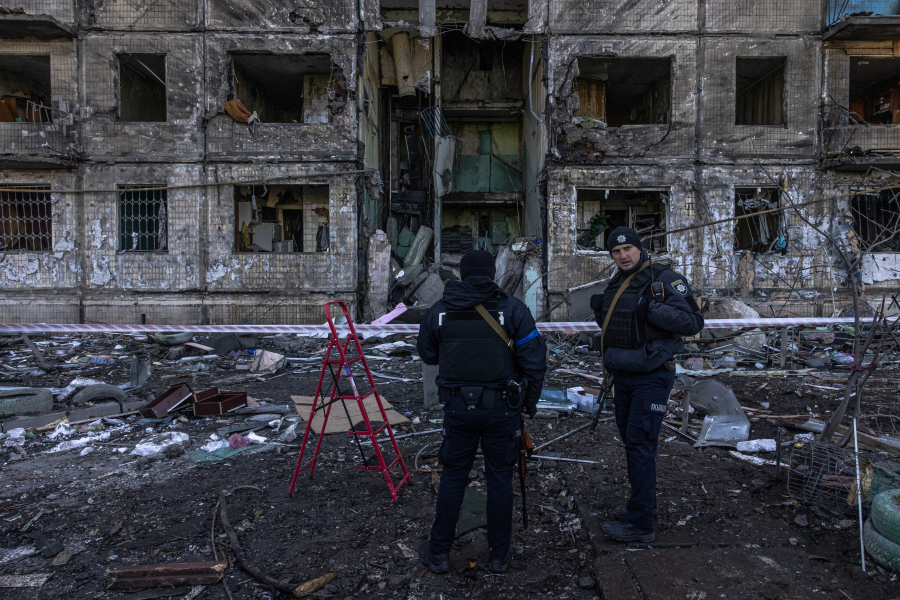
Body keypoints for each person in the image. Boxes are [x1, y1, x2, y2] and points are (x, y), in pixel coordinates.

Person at [417, 249, 547, 573]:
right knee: (500, 480)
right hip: (502, 409)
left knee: (453, 478)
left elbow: (428, 354)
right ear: (493, 274)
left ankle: (438, 554)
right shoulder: (513, 309)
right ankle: (500, 556)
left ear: (462, 275)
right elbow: (534, 363)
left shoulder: (439, 311)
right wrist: (529, 404)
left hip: (458, 409)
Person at [590, 227, 704, 543]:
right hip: (624, 375)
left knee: (640, 444)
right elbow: (623, 328)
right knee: (633, 442)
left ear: (639, 249)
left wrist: (652, 308)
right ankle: (640, 507)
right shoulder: (617, 282)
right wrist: (602, 312)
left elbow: (693, 322)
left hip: (651, 376)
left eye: (627, 248)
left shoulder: (664, 280)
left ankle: (641, 525)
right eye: (616, 251)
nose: (623, 255)